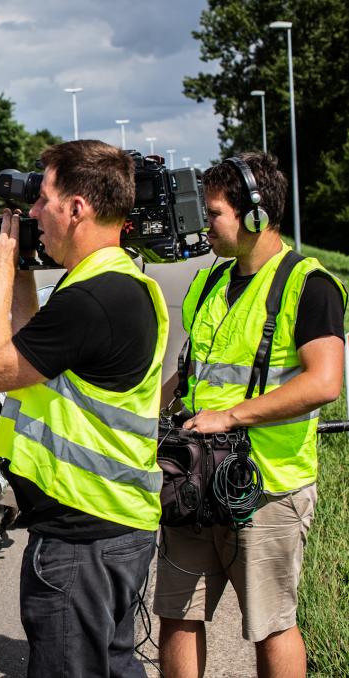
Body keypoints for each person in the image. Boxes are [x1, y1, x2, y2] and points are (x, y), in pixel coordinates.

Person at [0, 139, 169, 677]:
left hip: (83, 536)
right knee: (114, 665)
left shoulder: (92, 300)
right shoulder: (115, 285)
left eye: (43, 200)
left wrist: (1, 272)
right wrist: (27, 275)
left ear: (76, 208)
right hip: (113, 525)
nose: (32, 214)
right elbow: (29, 349)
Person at [155, 152, 346, 678]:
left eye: (213, 213)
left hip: (265, 490)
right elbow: (191, 372)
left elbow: (324, 381)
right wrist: (149, 415)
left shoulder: (309, 285)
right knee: (177, 614)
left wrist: (232, 416)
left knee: (271, 624)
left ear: (255, 215)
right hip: (193, 480)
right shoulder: (209, 282)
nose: (204, 224)